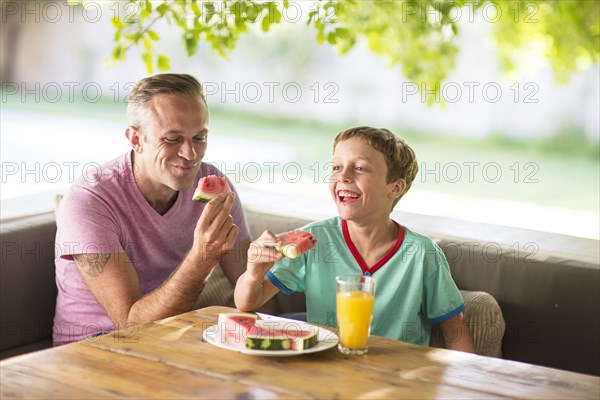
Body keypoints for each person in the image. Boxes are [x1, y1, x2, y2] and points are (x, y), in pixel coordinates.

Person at [234, 126, 475, 352]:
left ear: (395, 187)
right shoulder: (314, 240)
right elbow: (247, 304)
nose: (343, 176)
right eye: (337, 167)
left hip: (397, 376)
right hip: (327, 368)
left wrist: (468, 382)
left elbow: (454, 327)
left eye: (360, 168)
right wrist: (254, 273)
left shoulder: (423, 254)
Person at [53, 73, 249, 345]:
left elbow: (249, 286)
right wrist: (202, 258)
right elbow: (130, 325)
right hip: (96, 351)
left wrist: (273, 264)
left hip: (177, 343)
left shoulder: (212, 182)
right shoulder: (89, 201)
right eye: (172, 139)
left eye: (199, 137)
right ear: (136, 139)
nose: (190, 154)